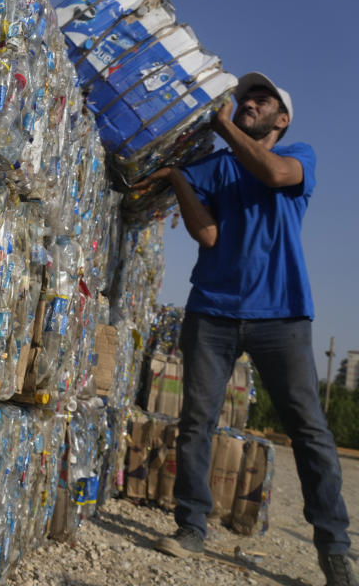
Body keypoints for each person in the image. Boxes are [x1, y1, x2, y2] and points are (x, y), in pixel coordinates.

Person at [133, 72, 355, 586]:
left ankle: (334, 548)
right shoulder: (216, 167)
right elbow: (207, 235)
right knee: (196, 423)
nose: (249, 102)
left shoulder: (300, 154)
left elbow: (276, 176)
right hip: (212, 311)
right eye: (245, 96)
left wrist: (224, 126)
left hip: (282, 316)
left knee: (310, 430)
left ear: (281, 119)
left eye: (262, 99)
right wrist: (178, 181)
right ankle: (191, 526)